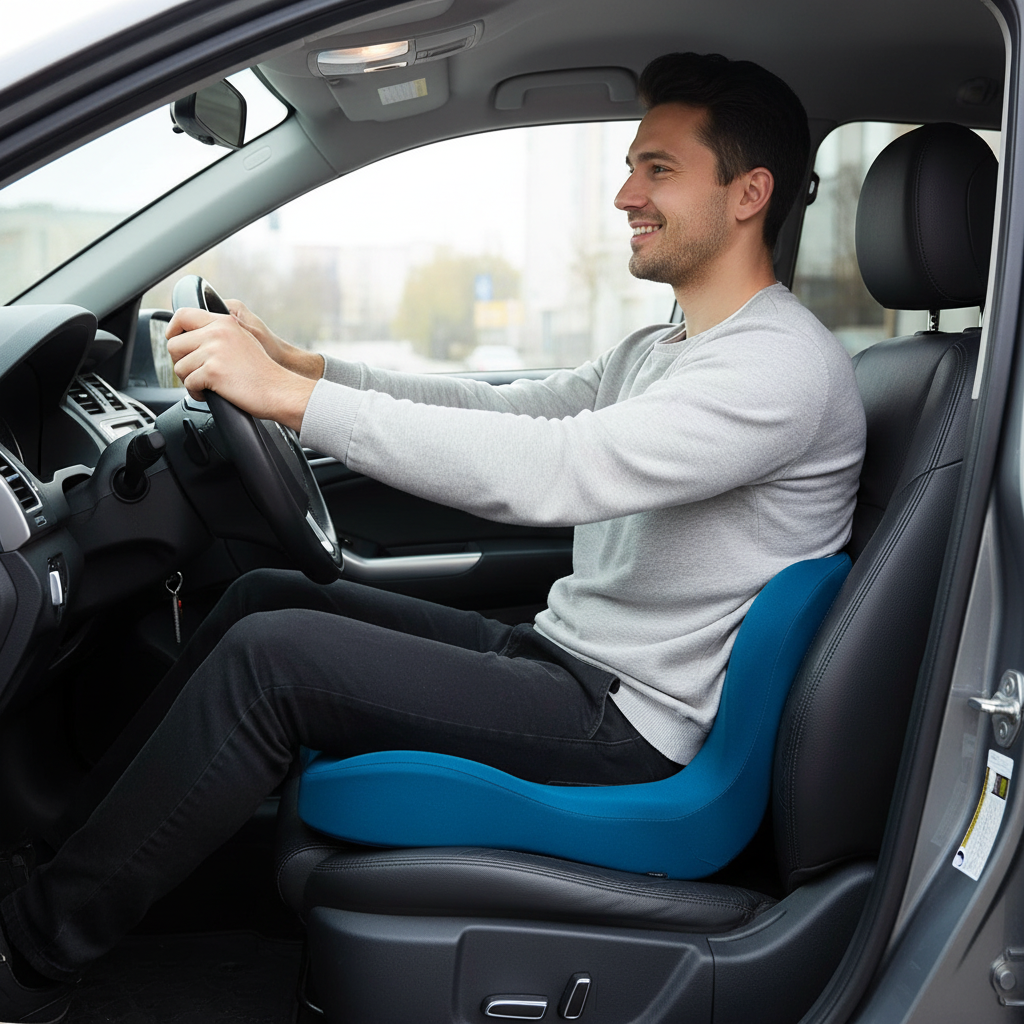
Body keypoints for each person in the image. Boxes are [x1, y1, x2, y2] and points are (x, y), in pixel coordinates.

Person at [0, 51, 865, 1021]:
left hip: (635, 730)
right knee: (263, 599)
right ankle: (59, 859)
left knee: (272, 662)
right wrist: (308, 365)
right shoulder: (670, 346)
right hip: (577, 663)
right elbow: (511, 408)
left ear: (749, 192)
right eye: (631, 165)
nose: (624, 192)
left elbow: (557, 466)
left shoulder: (778, 368)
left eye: (657, 168)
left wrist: (290, 398)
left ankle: (29, 958)